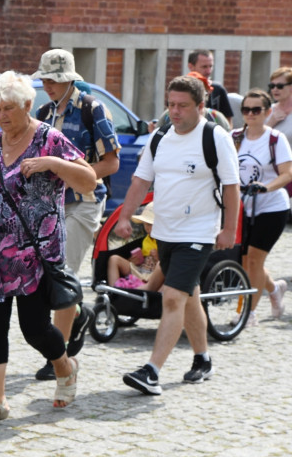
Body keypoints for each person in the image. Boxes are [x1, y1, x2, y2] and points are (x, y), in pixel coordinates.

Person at [0, 71, 96, 423]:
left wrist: (51, 163)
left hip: (35, 255)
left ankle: (65, 366)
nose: (3, 115)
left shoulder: (49, 139)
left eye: (9, 108)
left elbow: (89, 180)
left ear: (27, 105)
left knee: (34, 329)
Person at [118, 75, 239, 396]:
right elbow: (140, 181)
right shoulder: (159, 138)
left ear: (201, 106)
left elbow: (231, 186)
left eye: (182, 106)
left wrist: (229, 229)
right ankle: (202, 358)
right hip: (164, 232)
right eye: (170, 105)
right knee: (189, 295)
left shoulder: (215, 137)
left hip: (199, 231)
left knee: (172, 297)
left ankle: (152, 371)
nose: (174, 112)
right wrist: (125, 216)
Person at [31, 49, 121, 381]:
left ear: (70, 78)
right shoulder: (42, 111)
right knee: (45, 277)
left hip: (84, 201)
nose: (47, 84)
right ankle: (79, 315)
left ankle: (59, 353)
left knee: (62, 272)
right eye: (43, 78)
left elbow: (111, 163)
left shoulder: (92, 108)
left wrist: (70, 172)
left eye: (53, 79)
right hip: (50, 204)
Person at [233, 88, 292, 325]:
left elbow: (287, 174)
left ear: (267, 112)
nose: (250, 114)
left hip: (272, 208)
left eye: (256, 110)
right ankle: (274, 288)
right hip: (242, 207)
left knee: (255, 260)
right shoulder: (234, 137)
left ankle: (248, 313)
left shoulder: (276, 140)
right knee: (245, 261)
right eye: (246, 109)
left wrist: (265, 187)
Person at [106, 203, 164, 292]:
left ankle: (153, 294)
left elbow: (171, 264)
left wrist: (158, 257)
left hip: (155, 275)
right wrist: (132, 260)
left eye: (151, 224)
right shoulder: (146, 239)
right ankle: (114, 290)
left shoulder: (165, 240)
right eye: (145, 224)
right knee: (114, 259)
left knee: (162, 267)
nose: (148, 228)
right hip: (141, 269)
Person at [188, 50, 234, 121]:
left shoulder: (218, 90)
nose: (208, 71)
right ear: (191, 66)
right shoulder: (178, 88)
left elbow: (228, 122)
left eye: (210, 66)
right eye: (204, 67)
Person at [265, 67, 292, 142]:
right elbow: (256, 139)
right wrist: (271, 123)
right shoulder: (266, 111)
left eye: (280, 86)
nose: (275, 89)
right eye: (272, 86)